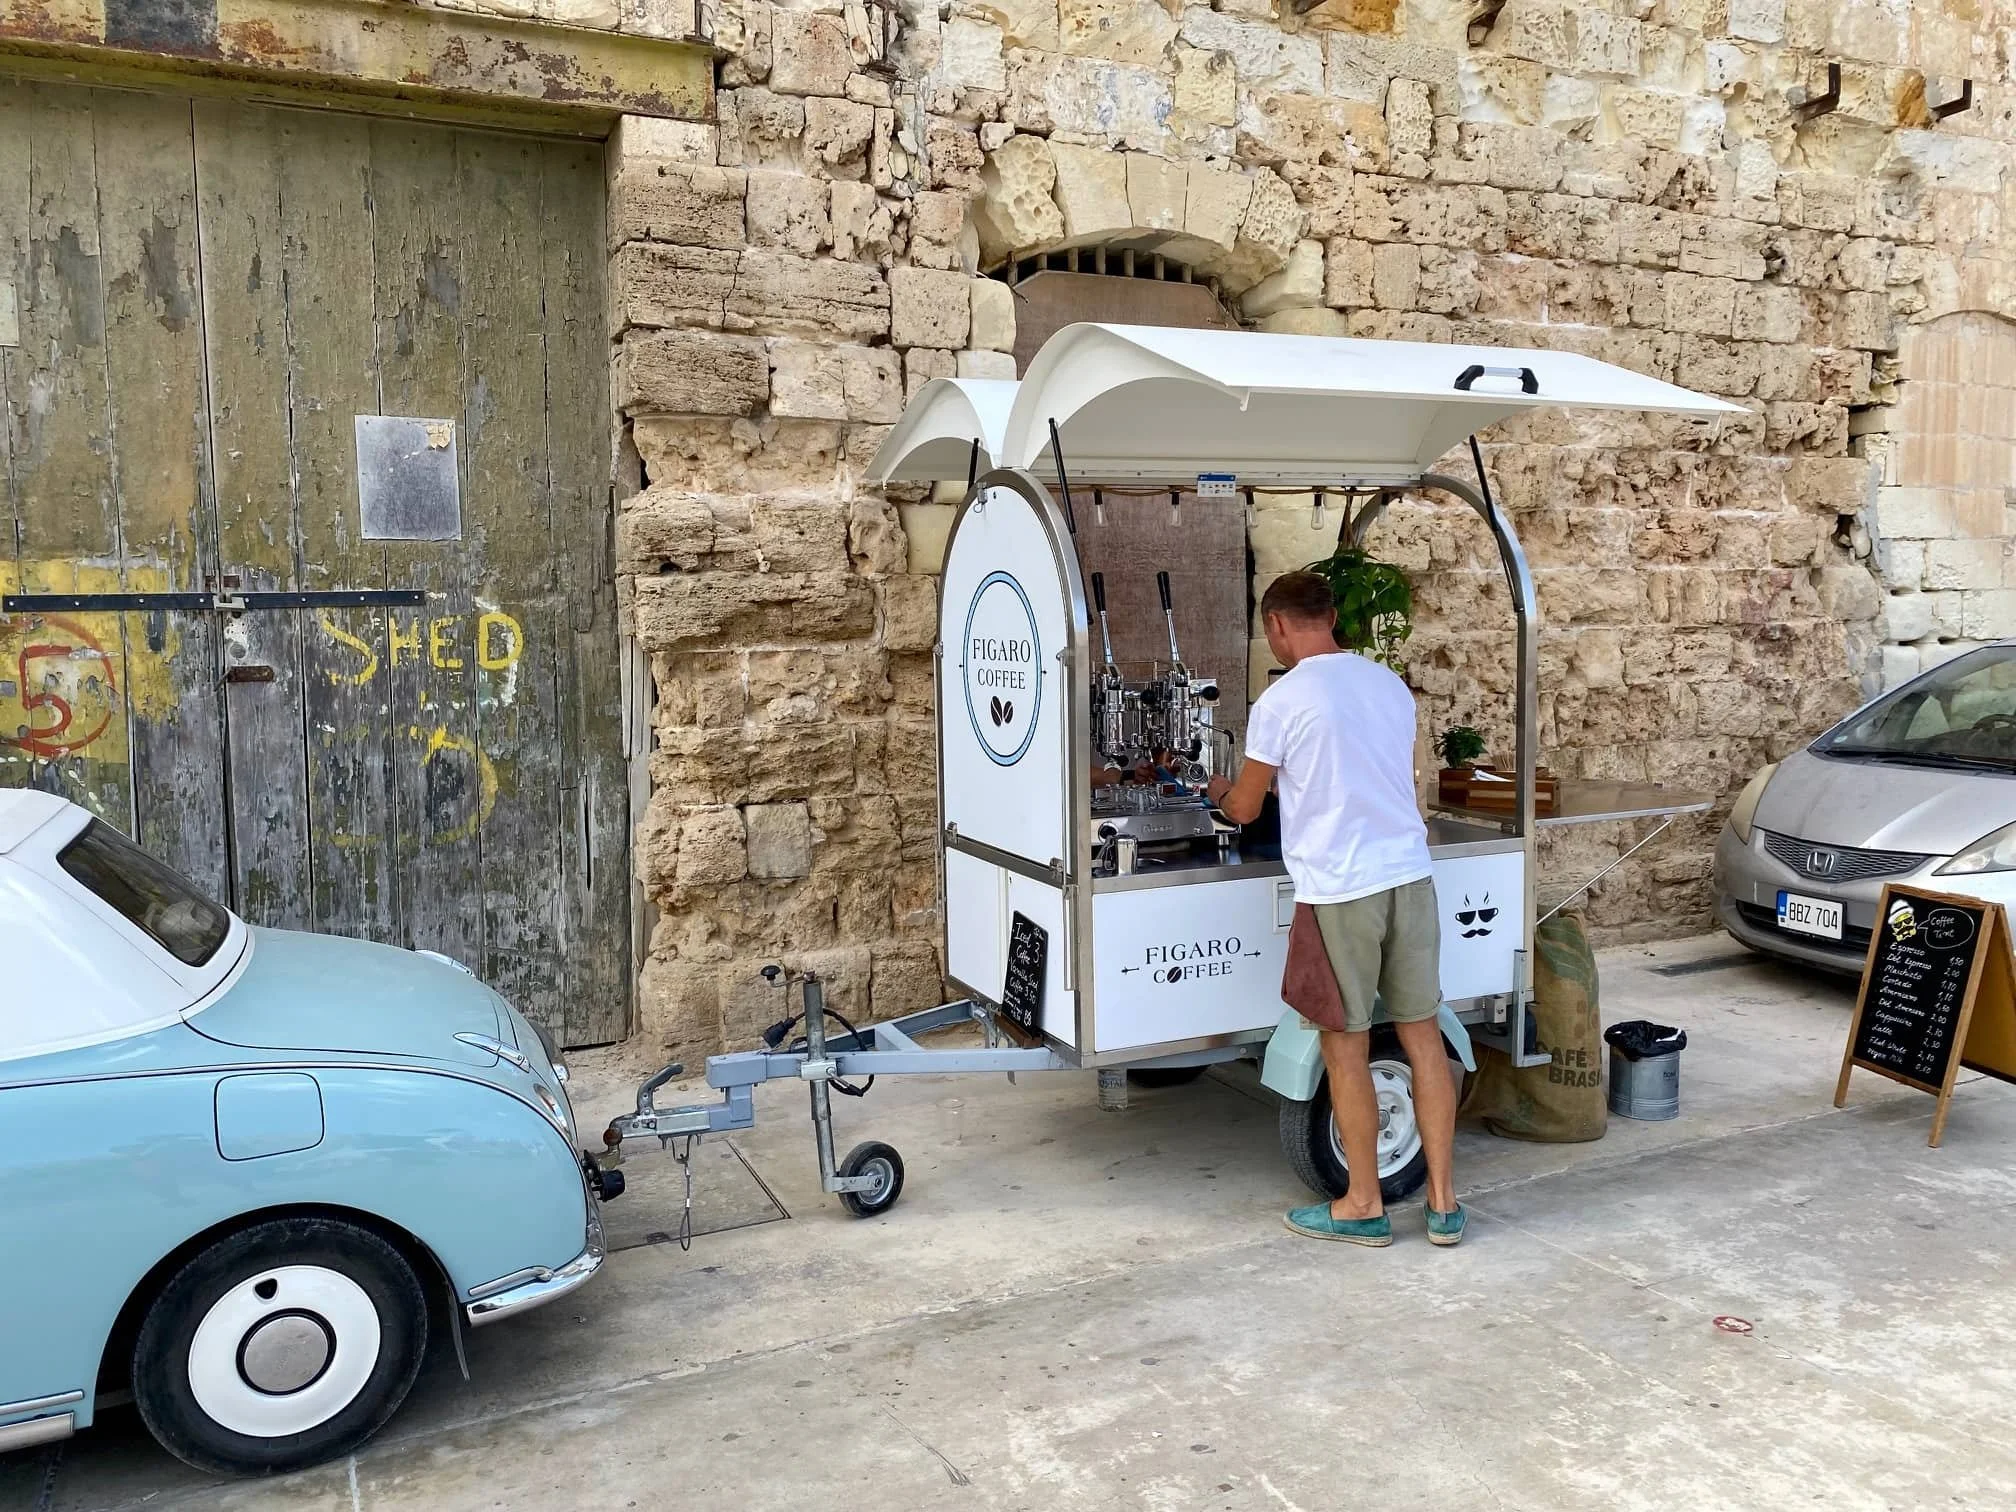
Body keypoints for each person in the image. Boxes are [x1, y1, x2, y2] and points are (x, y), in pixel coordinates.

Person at [1207, 570, 1463, 1248]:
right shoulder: (1386, 684)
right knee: (1422, 1035)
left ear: (1278, 627)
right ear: (1330, 617)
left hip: (1341, 888)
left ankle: (1363, 1204)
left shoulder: (1282, 701)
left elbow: (1245, 808)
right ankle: (1442, 1205)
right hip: (1409, 875)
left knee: (1343, 1046)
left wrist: (1213, 785)